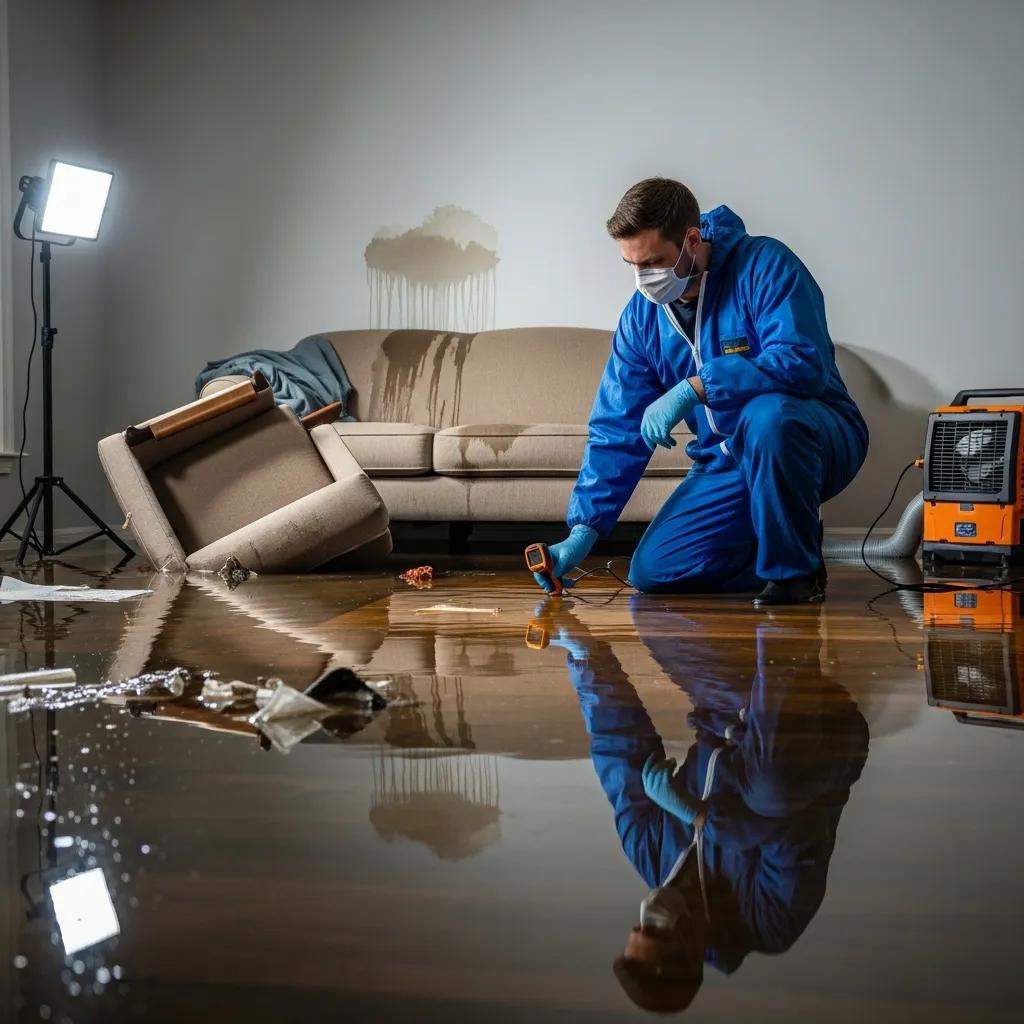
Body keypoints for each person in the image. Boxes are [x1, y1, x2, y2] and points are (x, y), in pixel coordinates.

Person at [534, 178, 869, 605]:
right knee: (654, 570)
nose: (643, 279)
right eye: (632, 266)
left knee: (767, 416)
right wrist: (583, 531)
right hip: (726, 460)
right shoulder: (642, 319)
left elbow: (804, 362)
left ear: (692, 239)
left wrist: (698, 386)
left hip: (814, 437)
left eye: (653, 262)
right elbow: (616, 428)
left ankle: (793, 575)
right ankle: (788, 548)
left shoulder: (765, 265)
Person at [537, 597, 869, 1014]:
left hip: (727, 707)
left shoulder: (650, 853)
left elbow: (619, 749)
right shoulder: (767, 922)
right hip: (816, 734)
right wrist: (699, 817)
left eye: (639, 925)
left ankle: (759, 564)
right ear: (692, 950)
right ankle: (787, 615)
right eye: (656, 931)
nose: (649, 916)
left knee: (655, 598)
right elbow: (793, 833)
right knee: (770, 793)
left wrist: (585, 655)